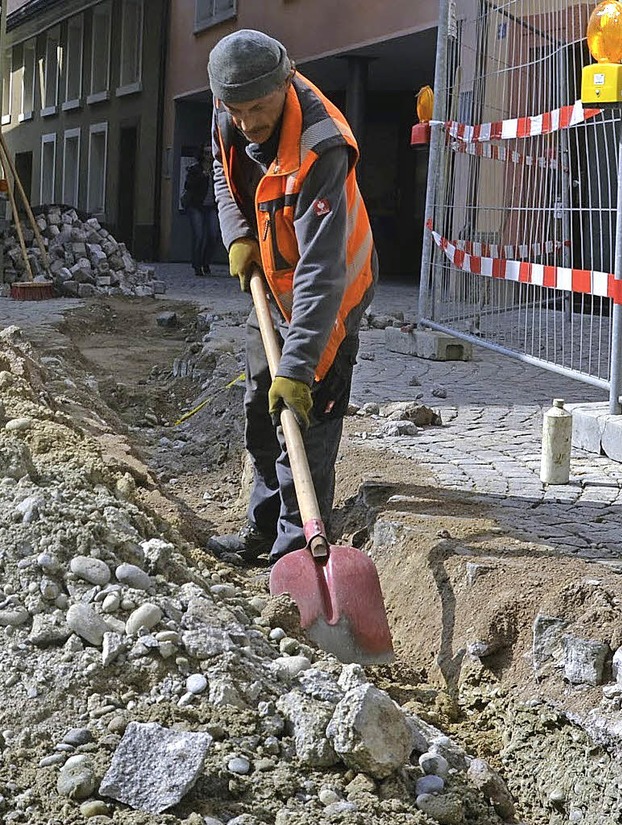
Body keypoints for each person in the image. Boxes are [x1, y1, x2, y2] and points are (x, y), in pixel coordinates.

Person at [205, 29, 378, 565]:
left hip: (333, 292)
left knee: (306, 417)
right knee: (261, 406)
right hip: (274, 287)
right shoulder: (228, 108)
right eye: (237, 111)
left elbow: (322, 273)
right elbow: (220, 169)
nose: (249, 122)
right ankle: (262, 529)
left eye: (259, 108)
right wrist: (238, 233)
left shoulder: (320, 145)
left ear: (286, 80)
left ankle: (295, 551)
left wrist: (299, 367)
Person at [181, 144, 220, 276]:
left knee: (213, 235)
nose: (209, 156)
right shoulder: (195, 169)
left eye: (211, 153)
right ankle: (197, 265)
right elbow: (188, 185)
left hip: (211, 206)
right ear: (202, 155)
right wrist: (202, 176)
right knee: (199, 236)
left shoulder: (218, 169)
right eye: (206, 153)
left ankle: (206, 261)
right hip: (196, 206)